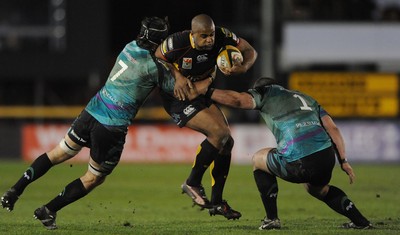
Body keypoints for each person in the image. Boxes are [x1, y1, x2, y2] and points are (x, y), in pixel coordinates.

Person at [1, 16, 174, 230]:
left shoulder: (129, 47)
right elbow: (180, 90)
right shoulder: (155, 68)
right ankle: (49, 209)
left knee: (57, 154)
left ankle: (15, 190)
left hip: (91, 112)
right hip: (111, 127)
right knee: (93, 178)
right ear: (161, 41)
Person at [195, 77, 373, 229]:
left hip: (299, 160)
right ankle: (360, 221)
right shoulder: (306, 97)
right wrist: (343, 160)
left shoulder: (266, 94)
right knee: (317, 189)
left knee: (258, 159)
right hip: (326, 157)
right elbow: (332, 128)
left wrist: (207, 91)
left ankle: (271, 219)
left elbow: (238, 100)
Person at [155, 13, 257, 220]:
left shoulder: (221, 35)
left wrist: (243, 67)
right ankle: (192, 182)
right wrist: (178, 76)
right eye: (204, 36)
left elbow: (250, 50)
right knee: (219, 134)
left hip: (201, 91)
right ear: (193, 34)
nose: (210, 39)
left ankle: (217, 203)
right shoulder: (177, 42)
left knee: (227, 141)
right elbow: (157, 56)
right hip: (179, 97)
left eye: (211, 35)